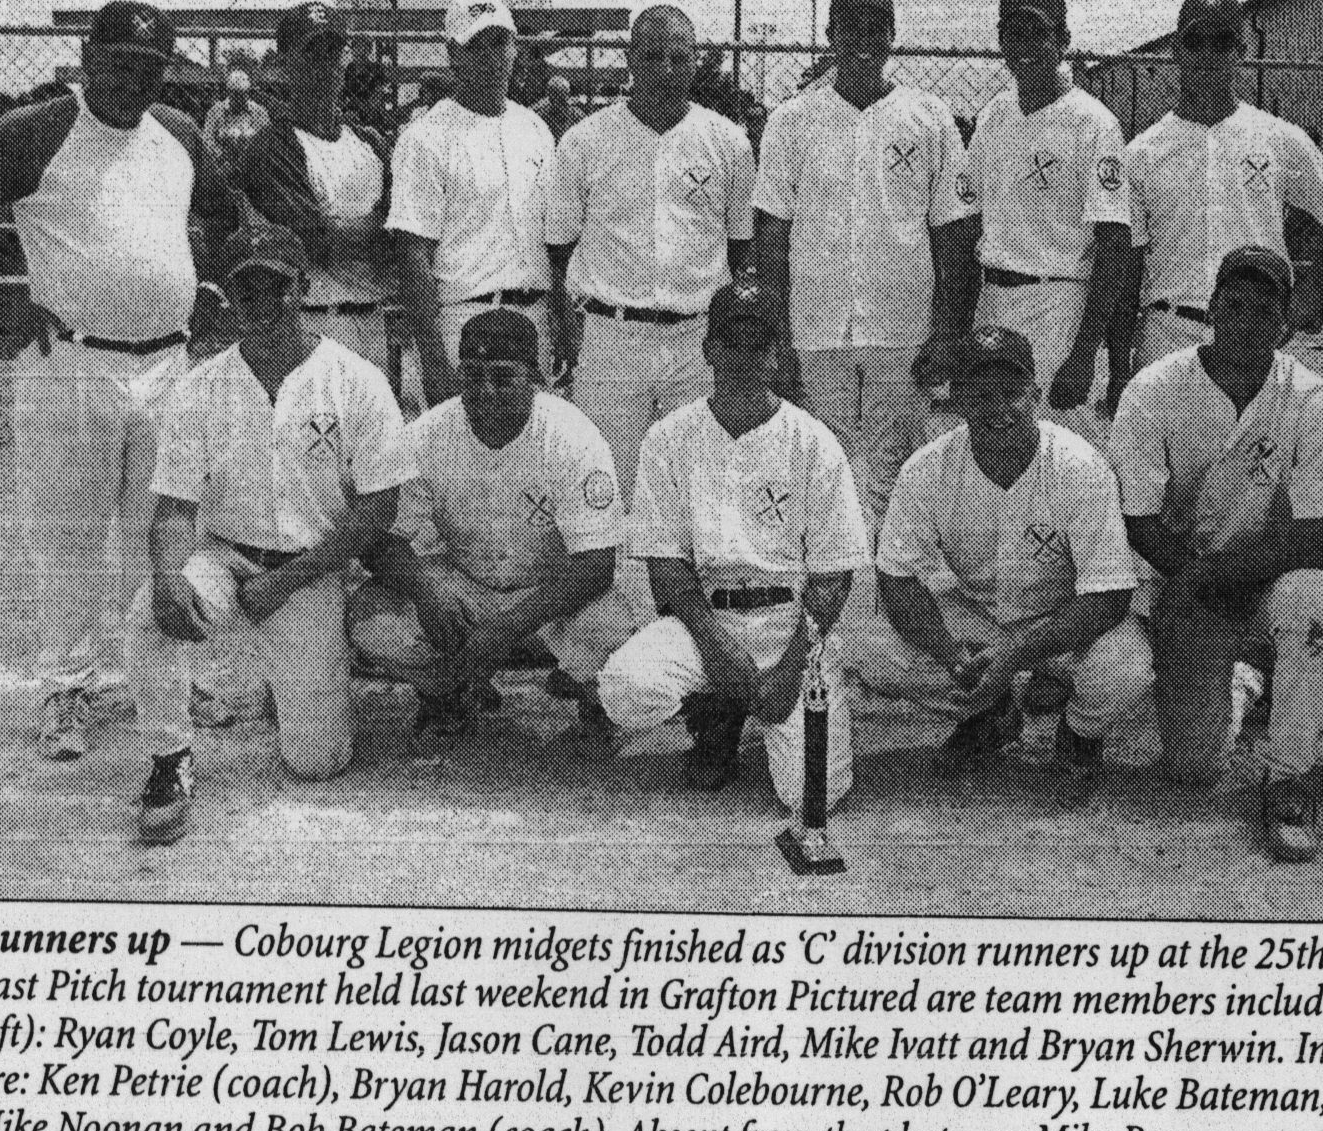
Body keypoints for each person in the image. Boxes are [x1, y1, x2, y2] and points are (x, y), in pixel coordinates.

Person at [0, 0, 238, 761]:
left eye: (150, 67)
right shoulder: (31, 131)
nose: (133, 79)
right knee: (67, 538)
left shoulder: (182, 134)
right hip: (71, 362)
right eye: (119, 63)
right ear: (86, 58)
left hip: (167, 363)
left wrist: (204, 283)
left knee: (160, 535)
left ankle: (162, 675)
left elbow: (227, 216)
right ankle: (67, 685)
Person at [127, 223, 414, 844]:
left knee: (316, 760)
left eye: (275, 286)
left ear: (303, 286)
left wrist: (291, 579)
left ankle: (304, 674)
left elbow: (377, 510)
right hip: (228, 559)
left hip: (314, 567)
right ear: (228, 299)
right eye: (245, 289)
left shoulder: (354, 379)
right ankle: (169, 761)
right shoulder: (200, 386)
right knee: (154, 611)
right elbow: (174, 508)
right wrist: (169, 577)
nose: (261, 303)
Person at [1108, 246, 1323, 862]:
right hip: (1177, 580)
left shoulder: (1314, 400)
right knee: (1193, 769)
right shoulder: (1153, 389)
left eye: (1264, 311)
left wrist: (1217, 576)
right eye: (1235, 306)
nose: (1247, 323)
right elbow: (1135, 519)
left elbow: (1317, 536)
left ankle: (1288, 779)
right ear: (1212, 308)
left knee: (1316, 602)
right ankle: (1240, 688)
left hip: (1263, 580)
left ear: (1286, 322)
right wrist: (1195, 584)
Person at [599, 280, 868, 810]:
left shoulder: (813, 441)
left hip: (791, 625)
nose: (743, 358)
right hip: (707, 620)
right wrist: (718, 647)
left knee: (814, 796)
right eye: (730, 343)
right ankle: (717, 714)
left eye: (758, 344)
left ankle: (785, 704)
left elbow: (835, 577)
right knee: (626, 688)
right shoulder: (669, 437)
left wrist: (789, 671)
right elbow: (667, 566)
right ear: (707, 348)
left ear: (777, 353)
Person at [875, 326, 1149, 805]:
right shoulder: (926, 468)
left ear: (1036, 395)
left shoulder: (1080, 466)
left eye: (1012, 393)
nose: (998, 408)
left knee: (1124, 669)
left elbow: (1108, 596)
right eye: (982, 394)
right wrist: (950, 653)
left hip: (1067, 621)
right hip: (981, 614)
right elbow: (897, 580)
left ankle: (1079, 734)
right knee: (876, 650)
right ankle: (991, 713)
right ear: (959, 400)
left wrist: (1015, 656)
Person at [349, 308, 633, 745]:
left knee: (609, 625)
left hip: (547, 589)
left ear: (534, 379)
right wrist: (428, 591)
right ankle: (446, 691)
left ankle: (593, 697)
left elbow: (596, 565)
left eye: (503, 377)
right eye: (473, 375)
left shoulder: (573, 438)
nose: (486, 391)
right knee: (373, 619)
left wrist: (507, 626)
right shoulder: (427, 435)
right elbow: (383, 540)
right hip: (465, 583)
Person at [754, 0, 976, 529]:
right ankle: (831, 612)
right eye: (849, 27)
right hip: (815, 335)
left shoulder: (931, 118)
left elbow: (953, 235)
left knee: (897, 487)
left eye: (875, 27)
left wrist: (947, 332)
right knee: (815, 484)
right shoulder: (791, 121)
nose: (862, 41)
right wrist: (778, 339)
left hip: (903, 335)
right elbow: (771, 241)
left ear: (892, 35)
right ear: (830, 34)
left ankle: (883, 612)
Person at [545, 5, 755, 501]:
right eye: (653, 56)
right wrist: (566, 326)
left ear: (695, 62)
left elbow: (741, 248)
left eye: (678, 58)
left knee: (698, 487)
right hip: (610, 338)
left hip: (697, 340)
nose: (665, 70)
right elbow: (558, 251)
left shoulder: (728, 143)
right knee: (605, 489)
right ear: (630, 59)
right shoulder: (584, 141)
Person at [1122, 0, 1323, 375]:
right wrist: (1121, 360)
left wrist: (1309, 293)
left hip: (1254, 331)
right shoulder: (1143, 151)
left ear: (1241, 51)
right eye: (1194, 41)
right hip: (1167, 333)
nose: (1207, 53)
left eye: (1222, 42)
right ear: (1176, 50)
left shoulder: (1279, 137)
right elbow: (1130, 261)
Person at [967, 0, 1132, 443]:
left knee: (1056, 445)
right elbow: (969, 215)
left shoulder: (1093, 122)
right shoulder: (995, 115)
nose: (1024, 47)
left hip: (1056, 302)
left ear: (1063, 40)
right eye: (1012, 34)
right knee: (992, 442)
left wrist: (1083, 351)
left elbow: (1114, 245)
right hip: (994, 299)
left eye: (1038, 33)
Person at [388, 0, 555, 407]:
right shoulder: (425, 137)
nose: (491, 57)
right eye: (476, 46)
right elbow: (414, 254)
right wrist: (432, 356)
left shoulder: (534, 128)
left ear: (515, 48)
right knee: (462, 466)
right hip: (464, 320)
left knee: (531, 463)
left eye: (500, 43)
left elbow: (554, 238)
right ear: (453, 55)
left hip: (533, 318)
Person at [238, 3, 392, 373]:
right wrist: (377, 222)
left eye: (333, 52)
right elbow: (316, 245)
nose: (324, 65)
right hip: (311, 321)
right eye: (311, 52)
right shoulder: (272, 145)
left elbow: (401, 236)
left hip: (373, 318)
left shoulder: (369, 142)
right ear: (283, 63)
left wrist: (351, 225)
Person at [201, 68, 269, 173]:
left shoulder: (259, 113)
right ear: (229, 92)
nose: (239, 99)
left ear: (248, 92)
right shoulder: (215, 111)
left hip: (252, 169)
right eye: (235, 94)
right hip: (222, 168)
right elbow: (207, 140)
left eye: (242, 94)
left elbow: (266, 142)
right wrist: (220, 156)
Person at [534, 75, 583, 141]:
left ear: (567, 95)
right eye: (555, 95)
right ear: (550, 97)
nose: (557, 101)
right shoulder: (541, 116)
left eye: (561, 97)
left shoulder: (577, 116)